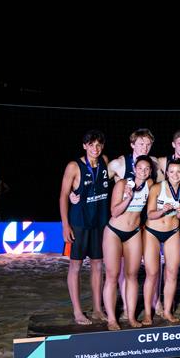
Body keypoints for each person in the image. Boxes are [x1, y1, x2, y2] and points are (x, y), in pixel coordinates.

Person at [58, 130, 110, 326]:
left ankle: (97, 309)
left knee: (98, 265)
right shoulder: (74, 166)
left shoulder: (104, 161)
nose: (95, 148)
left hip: (100, 222)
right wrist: (65, 225)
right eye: (91, 145)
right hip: (79, 223)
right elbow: (63, 195)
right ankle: (78, 311)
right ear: (84, 146)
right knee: (76, 266)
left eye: (98, 145)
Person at [101, 154, 152, 330]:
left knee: (132, 275)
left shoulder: (150, 185)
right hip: (114, 232)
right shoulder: (122, 184)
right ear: (134, 169)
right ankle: (112, 319)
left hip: (134, 233)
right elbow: (114, 212)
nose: (143, 171)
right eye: (140, 168)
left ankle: (131, 317)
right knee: (112, 275)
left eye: (147, 169)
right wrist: (128, 198)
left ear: (150, 171)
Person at [144, 160, 180, 324]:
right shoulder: (157, 188)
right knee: (152, 274)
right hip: (152, 232)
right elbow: (150, 214)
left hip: (173, 232)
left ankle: (168, 311)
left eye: (179, 171)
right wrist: (162, 210)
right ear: (166, 173)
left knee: (172, 273)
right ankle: (148, 313)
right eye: (172, 171)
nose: (175, 175)